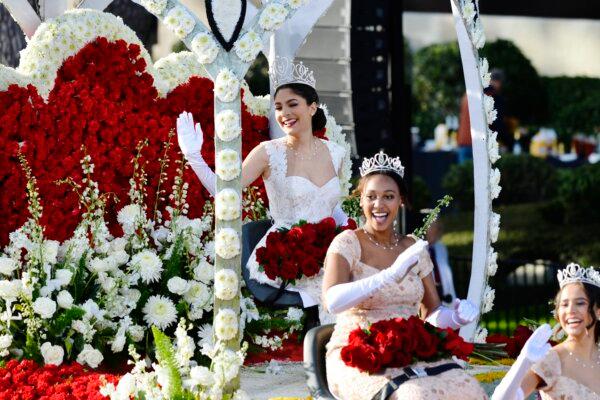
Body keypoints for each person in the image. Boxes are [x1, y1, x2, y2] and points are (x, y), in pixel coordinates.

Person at [176, 56, 348, 323]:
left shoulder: (336, 152)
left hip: (329, 248)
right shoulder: (268, 153)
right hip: (285, 254)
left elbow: (330, 205)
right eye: (278, 107)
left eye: (293, 104)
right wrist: (194, 157)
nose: (284, 113)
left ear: (312, 108)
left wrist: (351, 233)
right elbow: (225, 192)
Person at [322, 150, 486, 400]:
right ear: (361, 200)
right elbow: (332, 301)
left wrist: (456, 318)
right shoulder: (347, 242)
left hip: (410, 348)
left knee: (469, 388)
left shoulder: (413, 247)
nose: (379, 205)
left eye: (388, 196)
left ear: (400, 200)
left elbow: (431, 314)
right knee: (413, 396)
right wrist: (388, 276)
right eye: (371, 197)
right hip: (358, 350)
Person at [491, 263, 600, 400]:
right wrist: (524, 361)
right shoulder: (551, 359)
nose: (570, 311)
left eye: (580, 303)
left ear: (598, 311)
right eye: (564, 304)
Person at [425, 219, 457, 304]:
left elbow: (445, 274)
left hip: (445, 296)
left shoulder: (441, 247)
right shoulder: (419, 250)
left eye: (437, 228)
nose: (436, 231)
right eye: (432, 228)